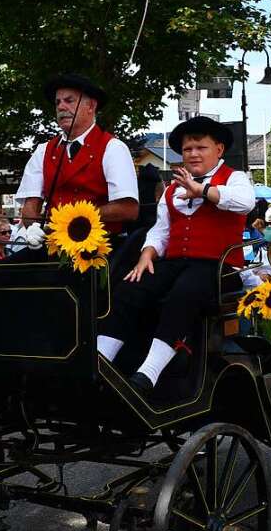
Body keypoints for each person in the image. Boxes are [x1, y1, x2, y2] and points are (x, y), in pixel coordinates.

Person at [97, 116, 255, 394]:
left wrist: (204, 191)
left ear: (218, 149)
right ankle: (100, 362)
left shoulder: (234, 178)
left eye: (200, 147)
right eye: (187, 149)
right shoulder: (171, 189)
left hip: (219, 267)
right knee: (129, 288)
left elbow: (245, 202)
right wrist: (146, 255)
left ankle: (149, 373)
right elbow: (160, 232)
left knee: (184, 292)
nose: (193, 154)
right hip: (177, 262)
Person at [14, 73, 138, 249]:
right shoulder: (43, 151)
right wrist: (32, 228)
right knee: (1, 273)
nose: (61, 107)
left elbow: (128, 209)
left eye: (69, 100)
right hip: (55, 246)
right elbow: (30, 206)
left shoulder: (113, 148)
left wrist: (74, 217)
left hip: (102, 249)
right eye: (57, 102)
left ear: (91, 106)